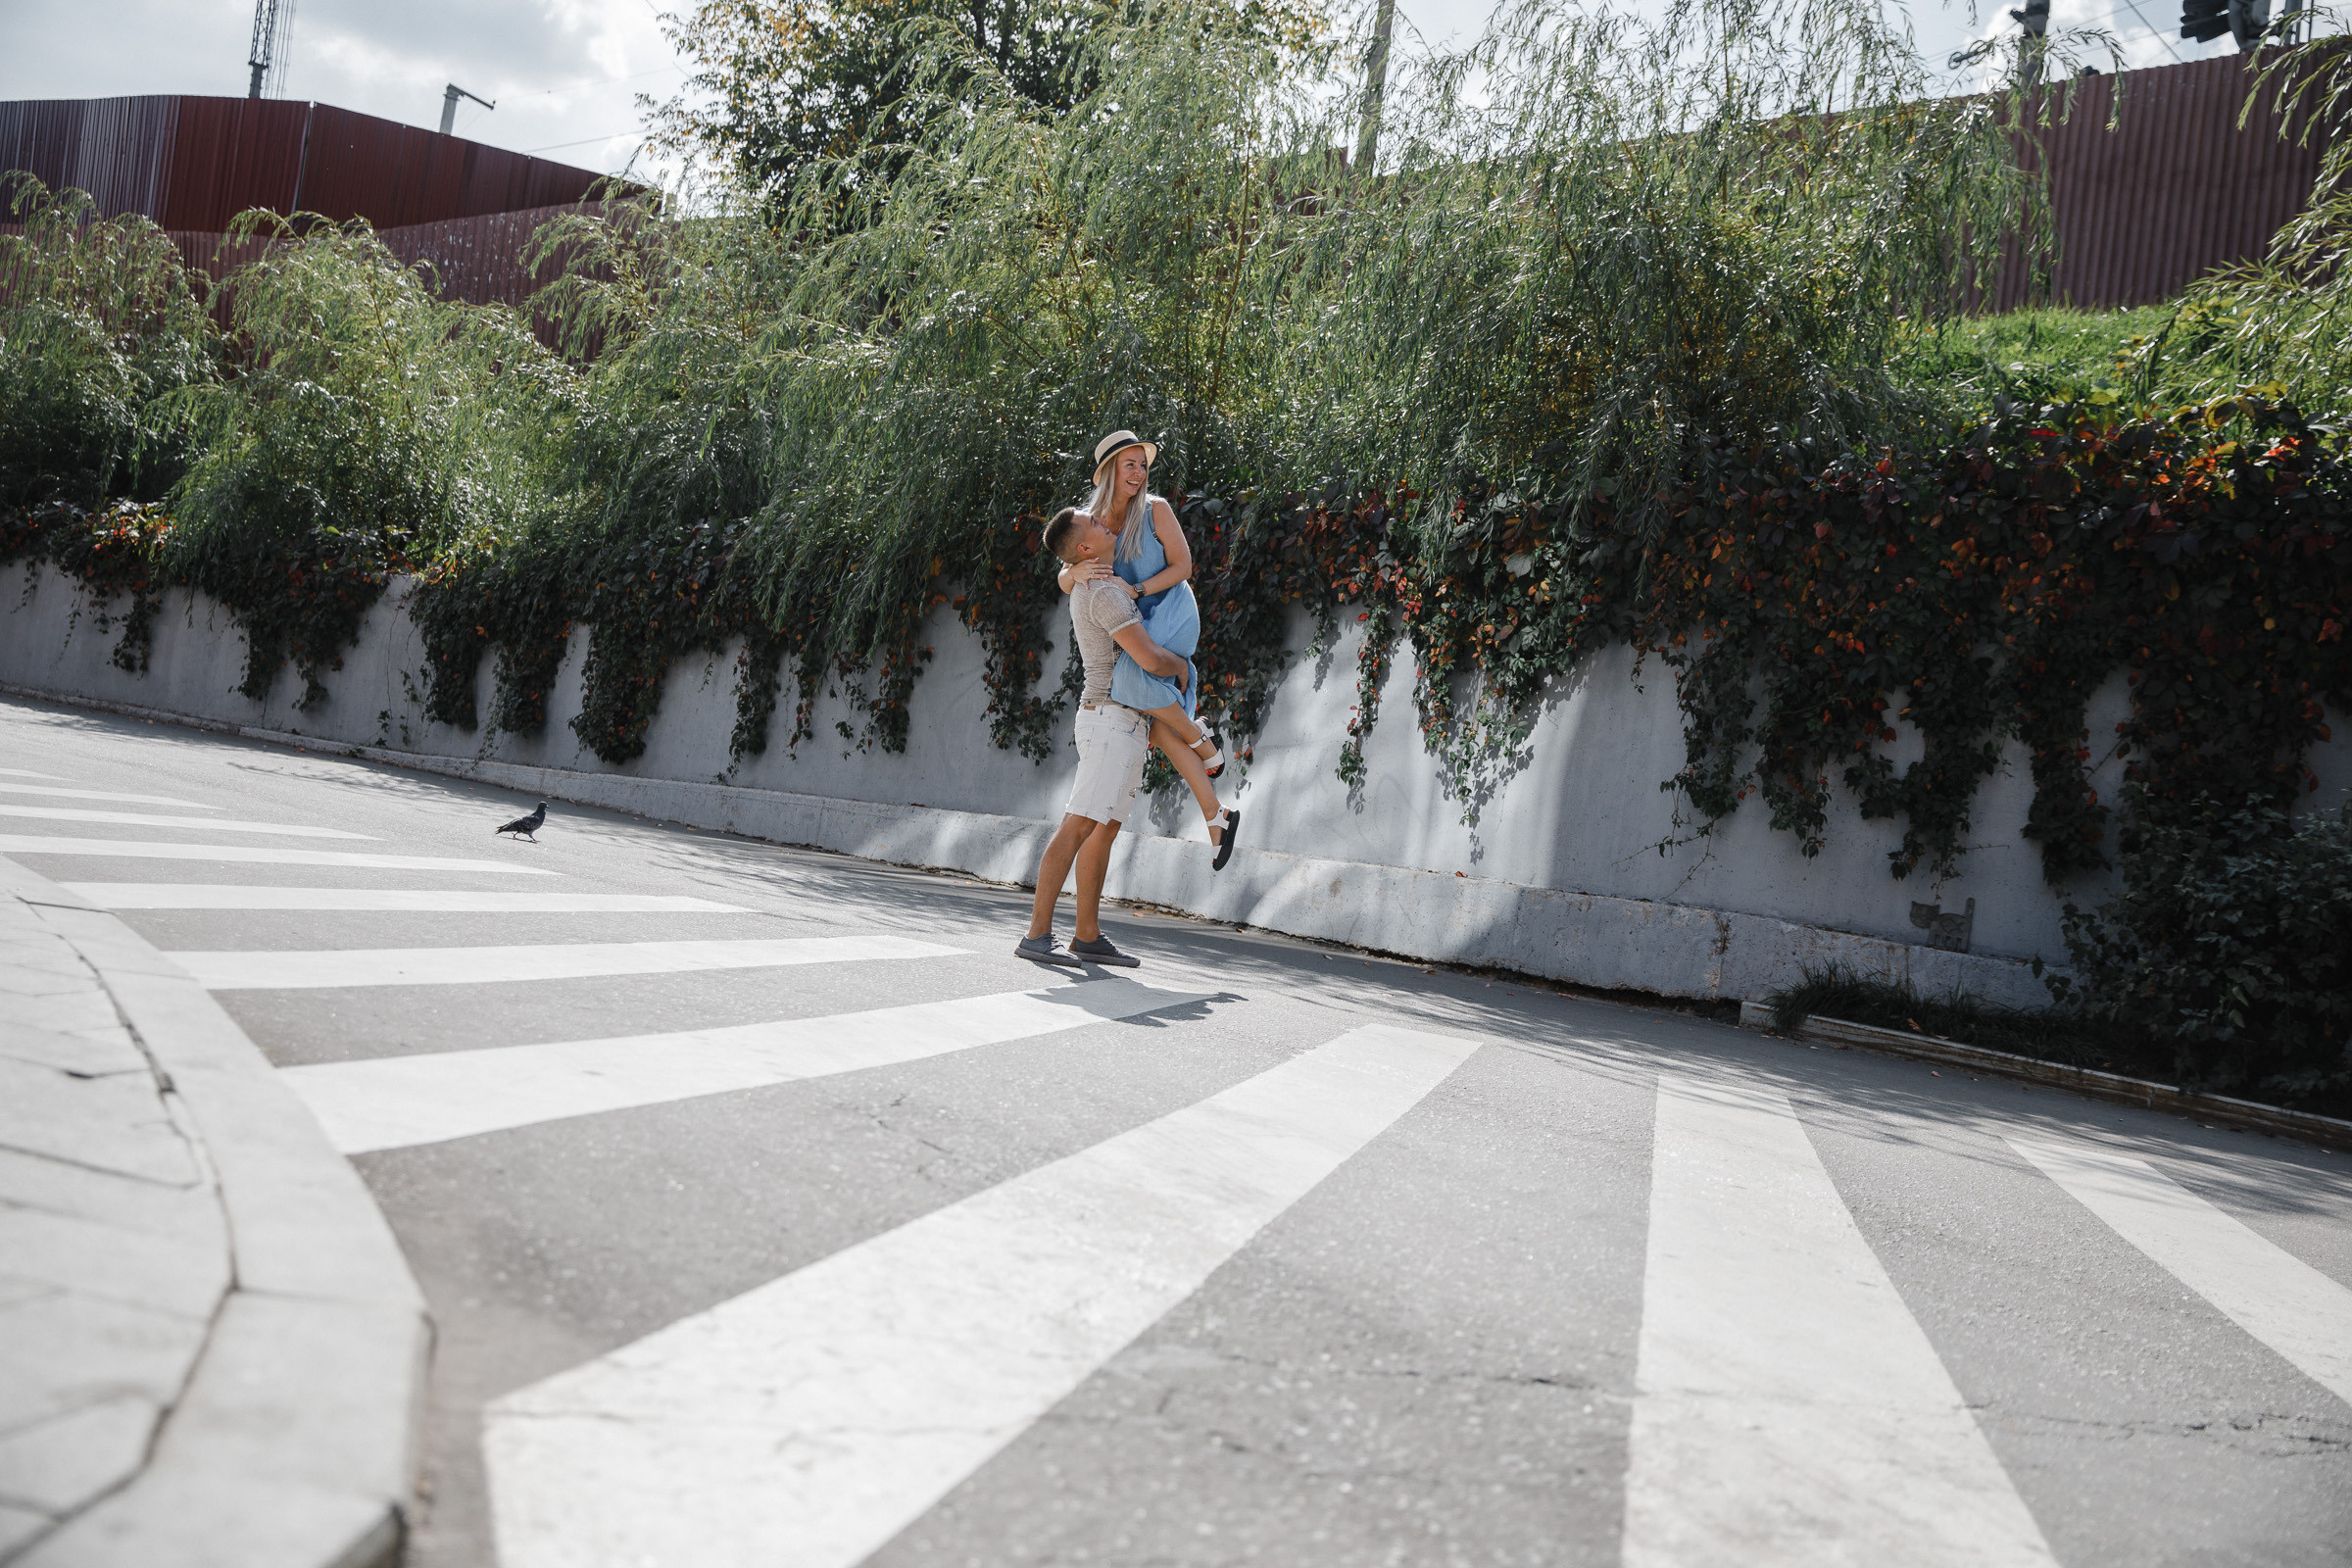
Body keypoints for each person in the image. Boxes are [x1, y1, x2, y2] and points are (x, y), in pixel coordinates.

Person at [1018, 506, 1242, 969]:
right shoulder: (1105, 593)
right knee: (1078, 824)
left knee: (1104, 828)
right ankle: (1037, 932)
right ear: (1084, 548)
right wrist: (1182, 667)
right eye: (1095, 525)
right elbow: (1150, 660)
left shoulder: (1089, 579)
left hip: (1124, 721)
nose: (1106, 524)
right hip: (1108, 720)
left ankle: (1087, 935)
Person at [1054, 431, 1231, 837]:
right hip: (1138, 625)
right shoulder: (1089, 521)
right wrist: (1073, 572)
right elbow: (1067, 576)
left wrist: (1134, 589)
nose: (1138, 473)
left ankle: (1201, 738)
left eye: (1143, 464)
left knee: (1130, 682)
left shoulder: (1156, 510)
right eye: (1129, 464)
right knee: (1154, 722)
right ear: (1108, 472)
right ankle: (1216, 815)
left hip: (1171, 612)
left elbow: (1184, 567)